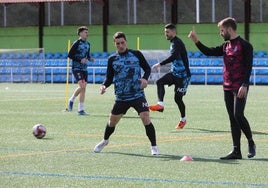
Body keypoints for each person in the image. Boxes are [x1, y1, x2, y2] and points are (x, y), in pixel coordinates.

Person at [188, 17, 256, 160]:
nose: (221, 33)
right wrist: (196, 41)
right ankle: (236, 151)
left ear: (229, 29)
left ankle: (250, 142)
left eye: (222, 30)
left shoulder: (245, 45)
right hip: (227, 86)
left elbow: (249, 66)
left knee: (238, 115)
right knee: (232, 119)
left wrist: (244, 85)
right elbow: (209, 52)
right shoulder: (226, 46)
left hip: (239, 86)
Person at [93, 32, 159, 155]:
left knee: (145, 117)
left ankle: (154, 146)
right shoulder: (112, 59)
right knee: (112, 122)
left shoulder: (136, 54)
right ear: (115, 44)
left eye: (122, 43)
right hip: (121, 97)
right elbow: (109, 77)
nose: (120, 45)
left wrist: (145, 79)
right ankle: (105, 140)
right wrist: (104, 86)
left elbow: (147, 68)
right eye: (118, 43)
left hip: (137, 95)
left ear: (126, 42)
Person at [149, 23, 191, 129]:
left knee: (178, 99)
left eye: (167, 32)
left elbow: (174, 56)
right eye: (165, 32)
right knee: (159, 82)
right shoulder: (173, 42)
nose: (166, 34)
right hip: (175, 73)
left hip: (183, 76)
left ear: (174, 32)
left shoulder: (177, 42)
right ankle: (160, 105)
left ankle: (183, 120)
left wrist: (160, 64)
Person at [67, 26, 94, 115]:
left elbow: (87, 55)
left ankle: (78, 106)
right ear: (80, 33)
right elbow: (70, 55)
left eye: (87, 32)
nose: (87, 34)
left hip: (84, 68)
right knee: (82, 86)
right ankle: (75, 104)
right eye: (85, 32)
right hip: (77, 68)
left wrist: (90, 59)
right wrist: (80, 60)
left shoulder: (88, 44)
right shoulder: (76, 43)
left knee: (83, 88)